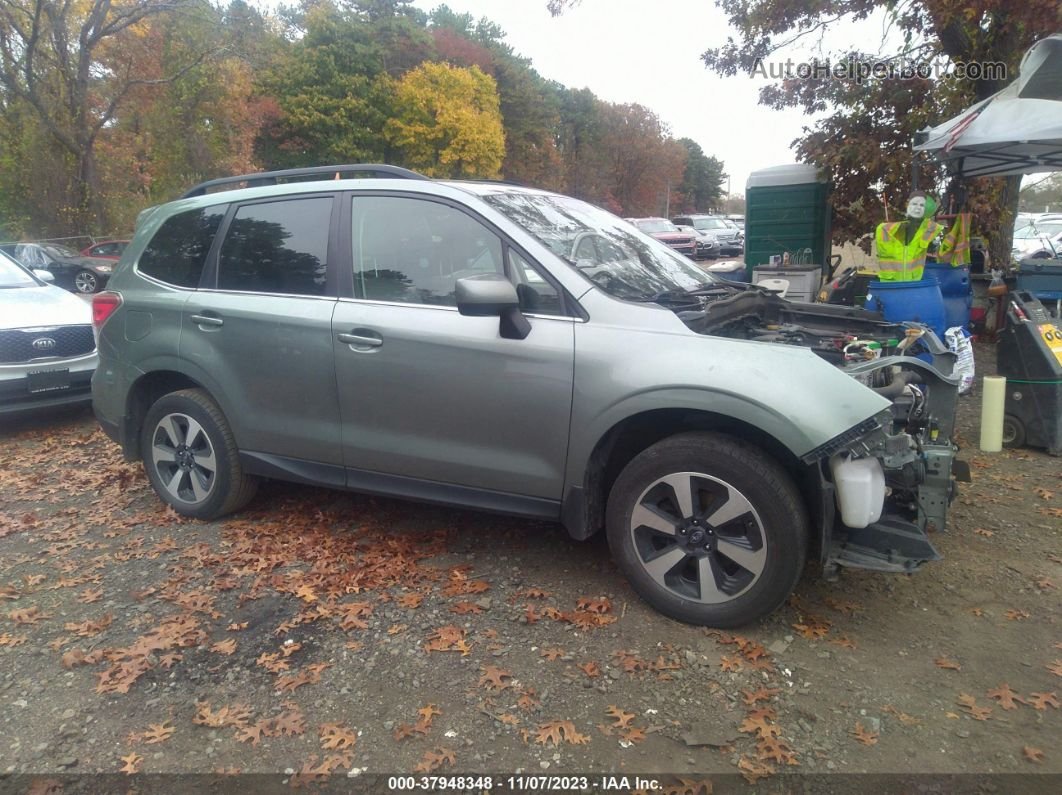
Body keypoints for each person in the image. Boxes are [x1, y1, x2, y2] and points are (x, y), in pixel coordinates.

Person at [875, 192, 942, 281]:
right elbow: (882, 229)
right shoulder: (883, 230)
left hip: (912, 286)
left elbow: (933, 227)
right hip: (889, 286)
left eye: (921, 205)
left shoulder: (928, 229)